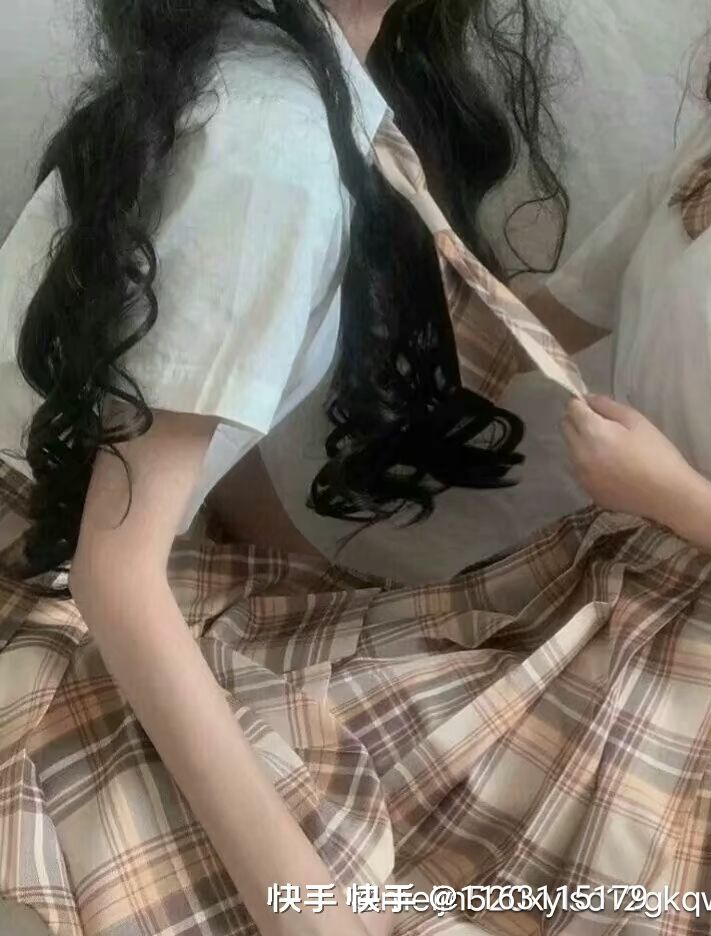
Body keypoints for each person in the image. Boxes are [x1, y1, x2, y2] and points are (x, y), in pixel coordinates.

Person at [0, 1, 565, 933]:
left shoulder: (268, 84)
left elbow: (182, 428)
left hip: (72, 543)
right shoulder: (275, 138)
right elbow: (116, 571)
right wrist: (309, 913)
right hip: (45, 574)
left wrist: (311, 580)